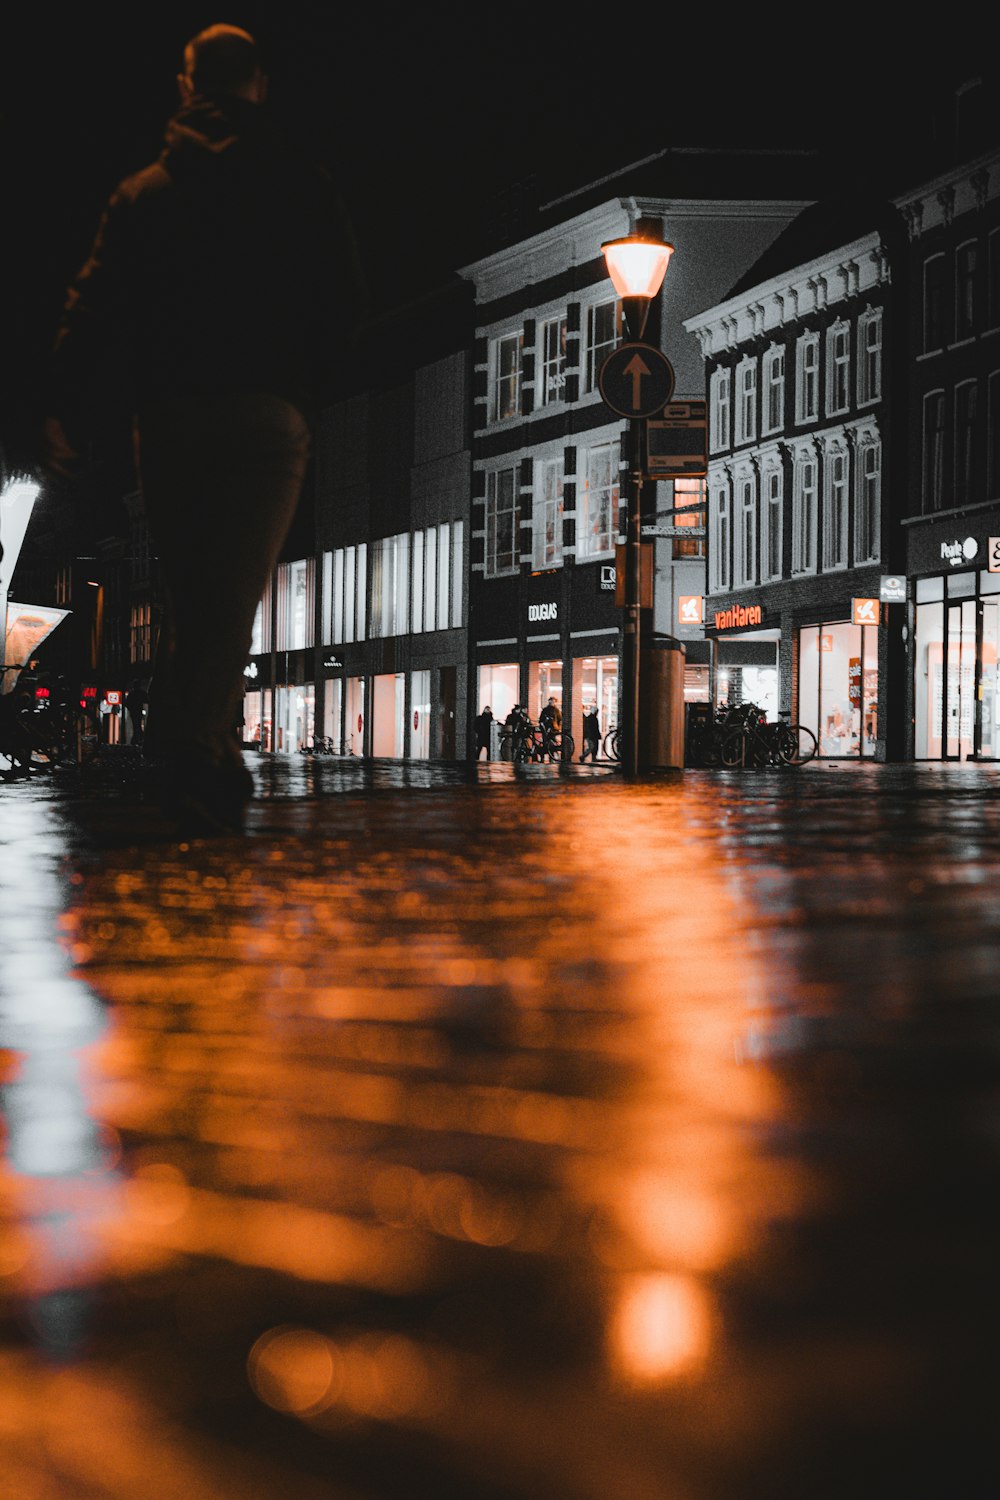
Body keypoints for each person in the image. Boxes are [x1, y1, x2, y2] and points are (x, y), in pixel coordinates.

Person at [43, 23, 366, 835]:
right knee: (234, 587)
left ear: (187, 87)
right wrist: (312, 401)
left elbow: (91, 310)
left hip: (177, 413)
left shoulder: (145, 193)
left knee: (193, 585)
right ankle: (200, 748)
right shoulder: (302, 184)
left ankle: (195, 746)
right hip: (268, 411)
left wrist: (61, 406)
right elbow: (342, 306)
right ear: (258, 85)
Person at [125, 679, 147, 747]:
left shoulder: (132, 694)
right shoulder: (140, 693)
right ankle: (138, 738)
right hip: (138, 711)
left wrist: (131, 708)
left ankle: (136, 739)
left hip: (134, 711)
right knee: (137, 725)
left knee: (136, 725)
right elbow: (146, 699)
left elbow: (127, 703)